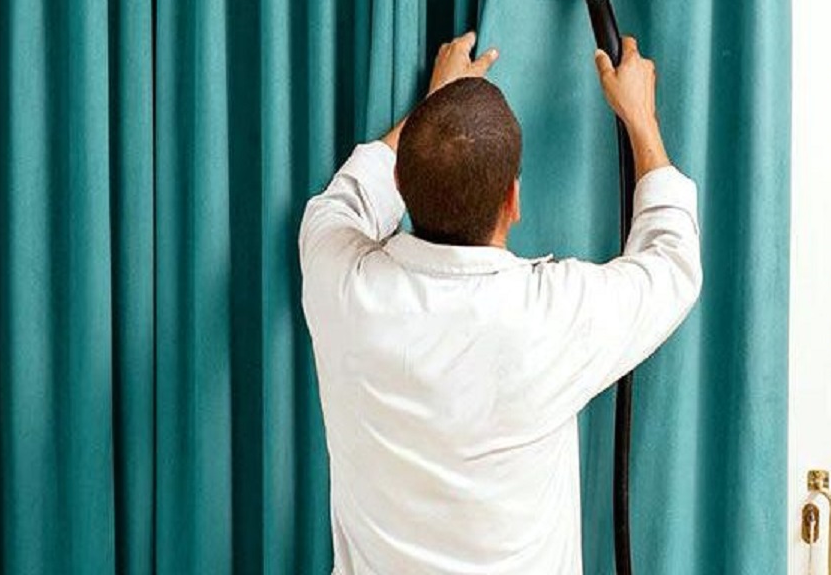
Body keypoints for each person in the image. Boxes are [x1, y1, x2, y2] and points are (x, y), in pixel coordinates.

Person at [299, 31, 702, 574]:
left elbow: (350, 197)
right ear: (514, 199)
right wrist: (641, 120)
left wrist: (436, 111)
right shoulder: (549, 317)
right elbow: (672, 262)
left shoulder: (342, 285)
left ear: (400, 183)